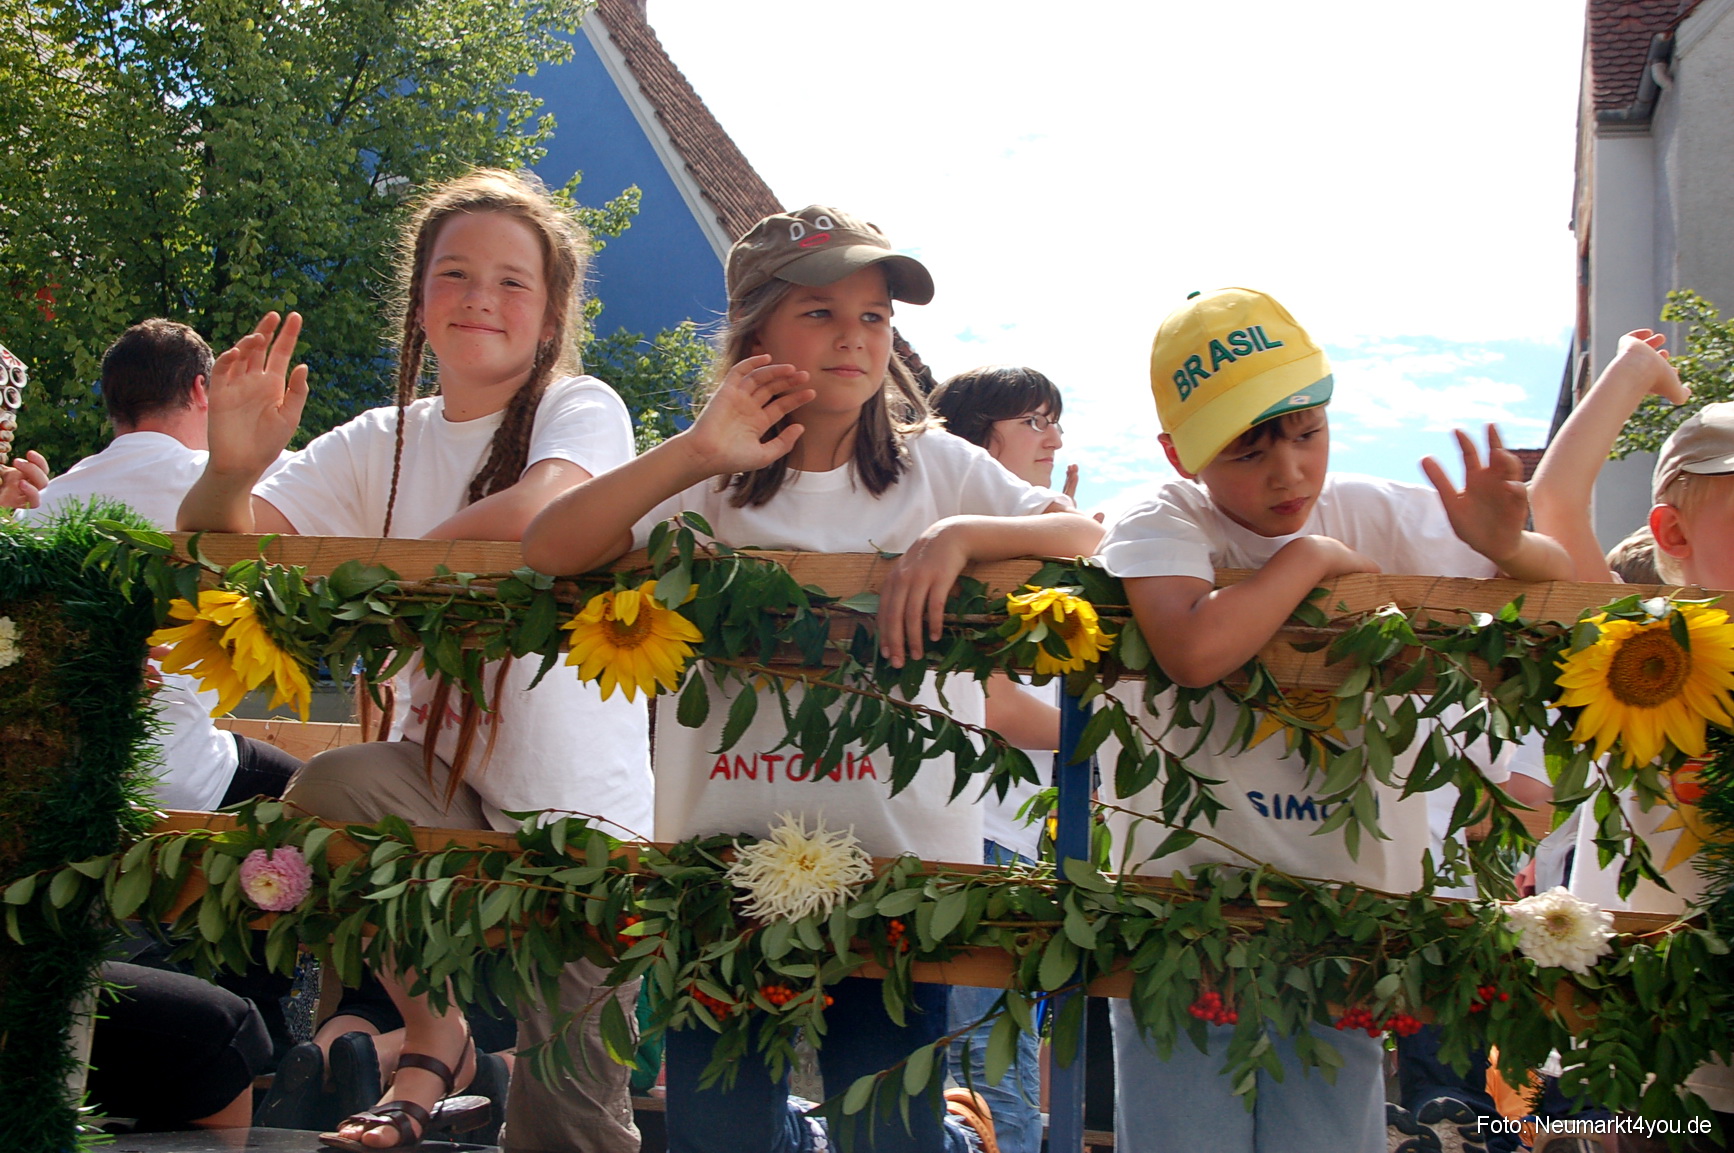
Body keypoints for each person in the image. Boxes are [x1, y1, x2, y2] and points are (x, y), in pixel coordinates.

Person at [524, 204, 1104, 1153]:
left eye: (874, 316)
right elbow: (551, 547)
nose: (854, 337)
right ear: (754, 331)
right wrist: (696, 449)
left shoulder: (937, 469)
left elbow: (1083, 535)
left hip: (900, 878)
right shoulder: (706, 475)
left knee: (888, 1131)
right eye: (821, 312)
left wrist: (961, 535)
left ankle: (948, 1132)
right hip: (725, 877)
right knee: (719, 1135)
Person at [176, 168, 652, 1153]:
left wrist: (380, 586)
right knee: (328, 791)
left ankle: (479, 1074)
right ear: (421, 301)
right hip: (441, 783)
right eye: (456, 274)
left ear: (552, 314)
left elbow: (539, 514)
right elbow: (227, 548)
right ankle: (438, 1034)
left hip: (579, 819)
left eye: (513, 281)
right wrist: (230, 466)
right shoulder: (378, 440)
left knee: (568, 1123)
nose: (482, 296)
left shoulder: (580, 404)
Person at [1095, 287, 1572, 1153]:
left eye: (1307, 433)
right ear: (1178, 452)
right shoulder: (1160, 517)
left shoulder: (1380, 512)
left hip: (1344, 926)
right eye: (1248, 450)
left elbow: (1557, 589)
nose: (1289, 472)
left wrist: (1508, 546)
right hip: (1187, 923)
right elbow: (1194, 650)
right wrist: (1312, 558)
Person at [1524, 332, 1734, 1148]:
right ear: (1673, 534)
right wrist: (1631, 374)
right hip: (1655, 1043)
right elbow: (1556, 499)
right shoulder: (1639, 648)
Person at [12, 319, 303, 810]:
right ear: (201, 389)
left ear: (113, 401)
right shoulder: (244, 480)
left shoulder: (44, 502)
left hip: (54, 777)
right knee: (327, 795)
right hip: (179, 774)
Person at [927, 365, 1070, 1153]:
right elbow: (995, 705)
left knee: (993, 1056)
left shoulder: (1012, 550)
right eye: (1034, 421)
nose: (1054, 438)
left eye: (1055, 421)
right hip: (971, 838)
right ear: (978, 442)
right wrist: (1106, 740)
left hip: (1003, 835)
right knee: (985, 1063)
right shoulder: (966, 551)